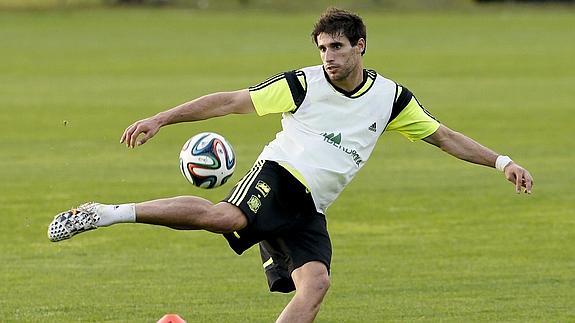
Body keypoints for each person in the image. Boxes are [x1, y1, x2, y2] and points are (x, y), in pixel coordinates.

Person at [48, 7, 534, 322]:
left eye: (337, 48)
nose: (328, 57)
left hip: (312, 205)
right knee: (226, 218)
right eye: (322, 49)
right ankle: (110, 212)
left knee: (315, 284)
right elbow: (228, 100)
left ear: (360, 45)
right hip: (281, 173)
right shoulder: (302, 84)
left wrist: (502, 161)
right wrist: (161, 118)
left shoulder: (391, 99)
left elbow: (444, 136)